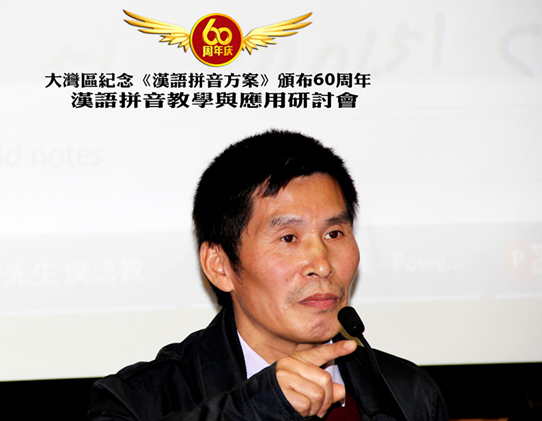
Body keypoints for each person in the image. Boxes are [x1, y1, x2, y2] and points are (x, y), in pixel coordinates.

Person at [88, 130, 448, 421]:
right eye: (288, 238)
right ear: (220, 266)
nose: (322, 264)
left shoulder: (408, 393)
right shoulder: (136, 401)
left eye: (334, 233)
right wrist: (258, 406)